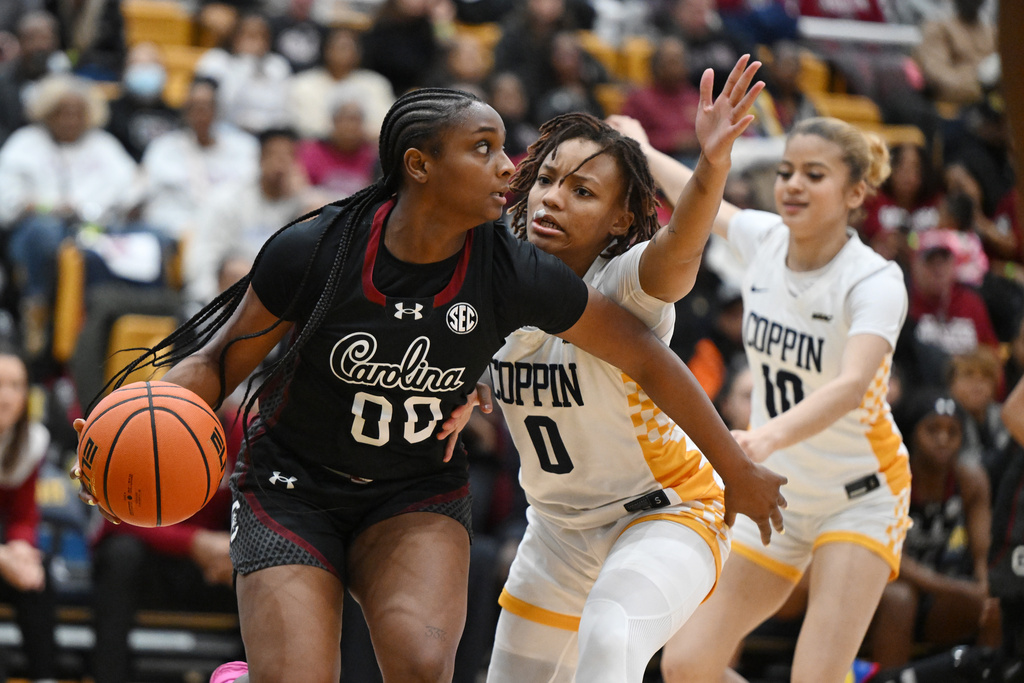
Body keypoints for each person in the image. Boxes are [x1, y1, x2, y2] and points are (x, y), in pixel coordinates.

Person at [72, 86, 785, 683]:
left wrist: (736, 467)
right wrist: (136, 421)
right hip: (294, 484)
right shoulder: (316, 246)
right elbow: (219, 360)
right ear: (419, 166)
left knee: (419, 663)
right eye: (485, 150)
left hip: (413, 490)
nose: (510, 169)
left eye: (507, 149)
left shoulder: (516, 271)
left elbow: (649, 352)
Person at [484, 57, 777, 683]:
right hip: (557, 529)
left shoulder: (623, 283)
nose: (554, 198)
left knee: (609, 641)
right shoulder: (495, 277)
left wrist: (712, 165)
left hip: (663, 514)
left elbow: (680, 253)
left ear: (620, 220)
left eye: (582, 192)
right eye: (548, 180)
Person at [611, 114, 912, 683]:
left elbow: (851, 387)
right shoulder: (766, 239)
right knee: (688, 665)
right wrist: (643, 147)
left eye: (814, 175)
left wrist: (767, 436)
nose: (793, 185)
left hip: (860, 495)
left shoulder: (875, 281)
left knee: (816, 676)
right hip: (783, 491)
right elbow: (699, 193)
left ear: (854, 193)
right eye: (787, 171)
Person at [868, 388, 997, 669]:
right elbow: (892, 560)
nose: (943, 439)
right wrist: (959, 589)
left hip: (938, 597)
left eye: (953, 431)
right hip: (882, 590)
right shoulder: (891, 475)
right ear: (912, 432)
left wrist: (985, 588)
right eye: (933, 429)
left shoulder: (970, 480)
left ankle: (990, 673)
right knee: (900, 598)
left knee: (992, 605)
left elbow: (982, 554)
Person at [0, 342, 59, 681]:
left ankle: (44, 675)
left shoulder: (32, 441)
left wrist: (21, 550)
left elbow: (23, 515)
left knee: (39, 574)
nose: (6, 397)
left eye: (15, 386)